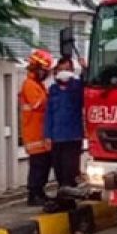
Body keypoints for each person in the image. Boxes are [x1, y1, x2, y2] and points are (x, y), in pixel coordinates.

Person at [45, 57, 84, 200]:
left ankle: (70, 196)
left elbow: (83, 88)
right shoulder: (53, 90)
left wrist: (83, 70)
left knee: (70, 169)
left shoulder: (76, 87)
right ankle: (62, 194)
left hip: (72, 136)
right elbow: (49, 114)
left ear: (72, 71)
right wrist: (47, 135)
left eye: (66, 70)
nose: (63, 73)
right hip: (57, 137)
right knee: (59, 169)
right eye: (60, 70)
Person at [20, 49, 54, 207]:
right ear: (37, 68)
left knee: (43, 166)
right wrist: (52, 97)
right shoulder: (30, 85)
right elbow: (38, 104)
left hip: (39, 134)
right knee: (38, 167)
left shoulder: (37, 85)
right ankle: (34, 194)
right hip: (34, 135)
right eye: (44, 71)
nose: (46, 74)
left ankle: (39, 192)